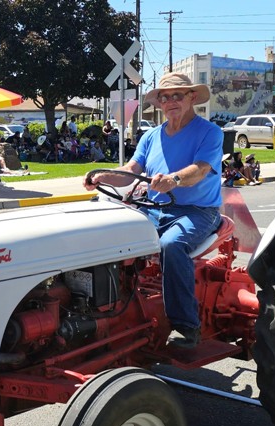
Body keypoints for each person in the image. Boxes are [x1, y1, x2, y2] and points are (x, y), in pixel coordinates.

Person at [83, 73, 223, 349]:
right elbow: (131, 172)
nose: (170, 101)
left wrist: (174, 179)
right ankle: (107, 309)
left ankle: (186, 326)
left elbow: (201, 169)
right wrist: (102, 176)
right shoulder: (151, 136)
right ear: (158, 103)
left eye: (177, 95)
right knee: (105, 232)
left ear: (191, 97)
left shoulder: (209, 132)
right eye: (165, 97)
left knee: (171, 245)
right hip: (155, 207)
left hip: (197, 211)